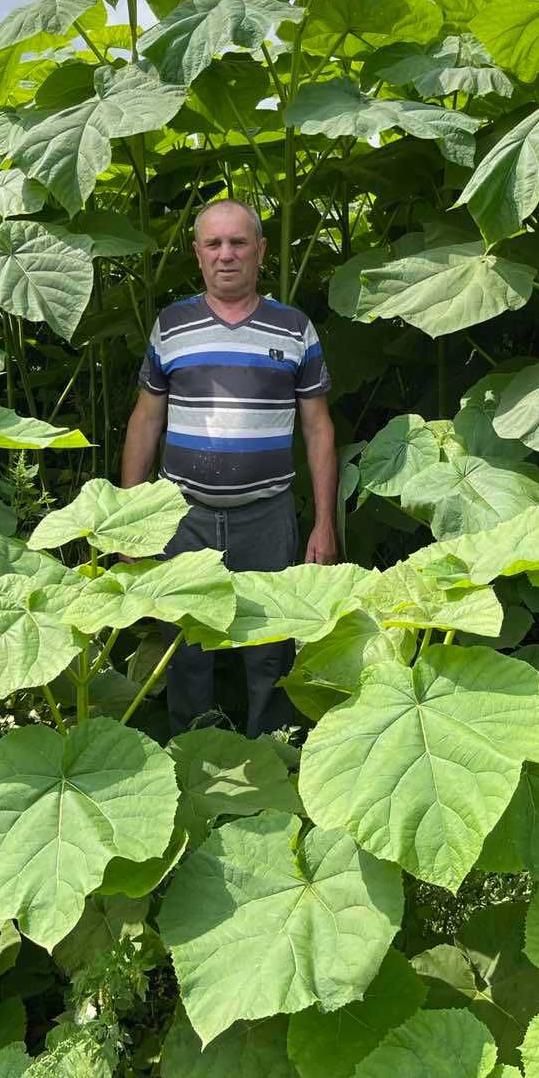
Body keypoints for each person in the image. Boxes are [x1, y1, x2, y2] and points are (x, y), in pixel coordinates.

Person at [121, 198, 337, 737]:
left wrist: (325, 523)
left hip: (267, 518)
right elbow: (146, 421)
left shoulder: (294, 329)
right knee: (185, 651)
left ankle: (273, 760)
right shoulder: (172, 326)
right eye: (213, 244)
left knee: (270, 651)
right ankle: (192, 768)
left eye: (238, 243)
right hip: (183, 518)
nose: (226, 255)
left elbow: (318, 429)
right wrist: (128, 520)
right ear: (197, 254)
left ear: (260, 250)